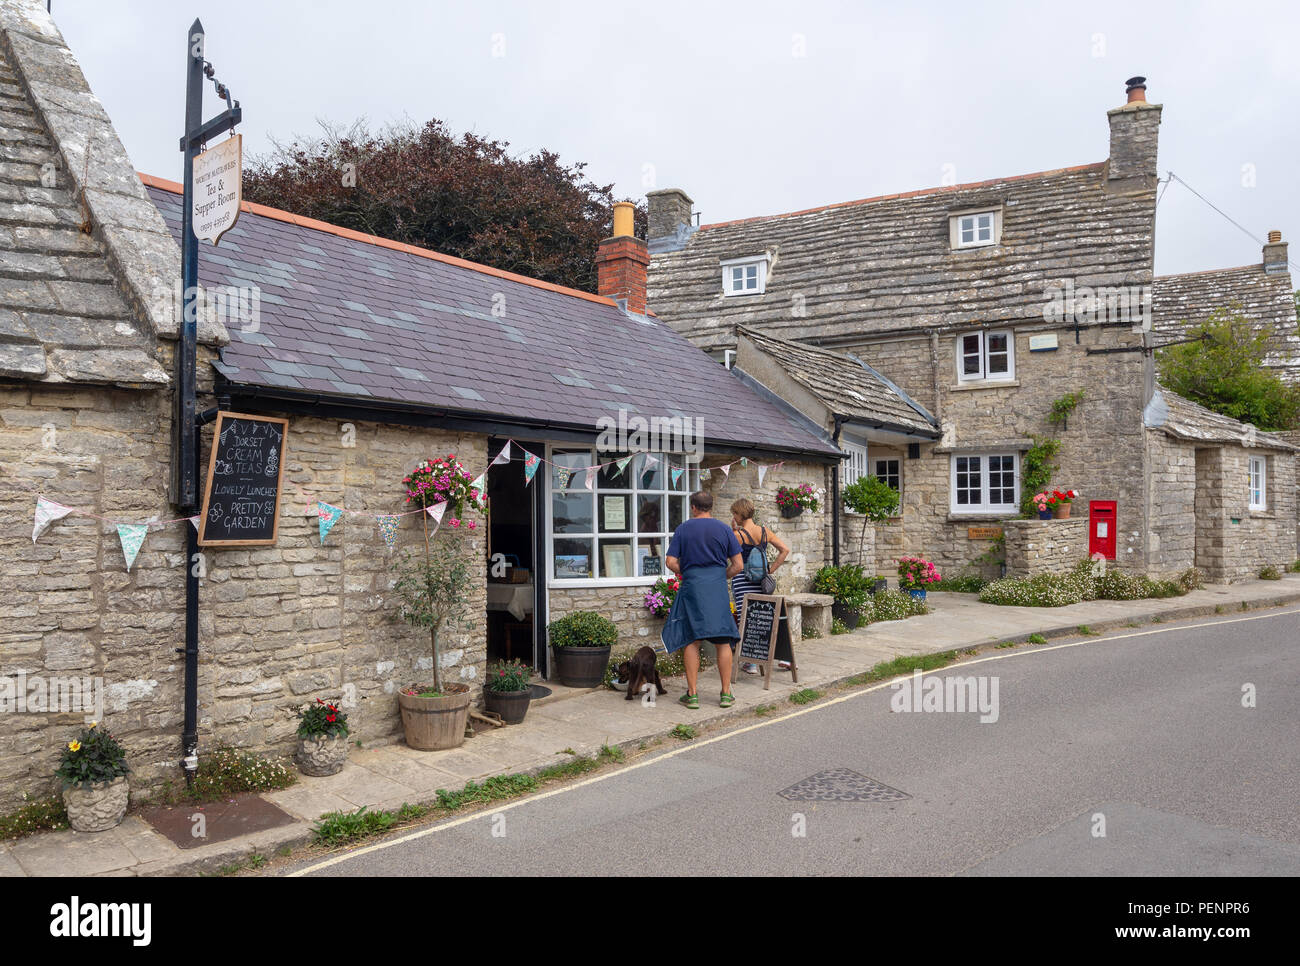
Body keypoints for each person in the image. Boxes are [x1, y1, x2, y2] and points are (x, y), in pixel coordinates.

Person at [662, 490, 743, 709]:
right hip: (716, 587)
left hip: (693, 587)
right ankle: (726, 694)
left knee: (692, 639)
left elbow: (670, 562)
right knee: (723, 639)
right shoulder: (725, 529)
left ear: (694, 507)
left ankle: (693, 694)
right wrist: (719, 576)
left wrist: (688, 572)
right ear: (711, 507)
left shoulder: (684, 528)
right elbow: (738, 565)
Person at [729, 498, 791, 674]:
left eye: (734, 513)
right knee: (762, 618)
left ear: (740, 514)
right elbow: (784, 550)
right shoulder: (764, 531)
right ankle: (781, 657)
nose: (734, 516)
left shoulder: (737, 536)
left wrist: (733, 531)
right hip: (761, 582)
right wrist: (770, 570)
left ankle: (751, 663)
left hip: (742, 581)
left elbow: (729, 557)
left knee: (745, 620)